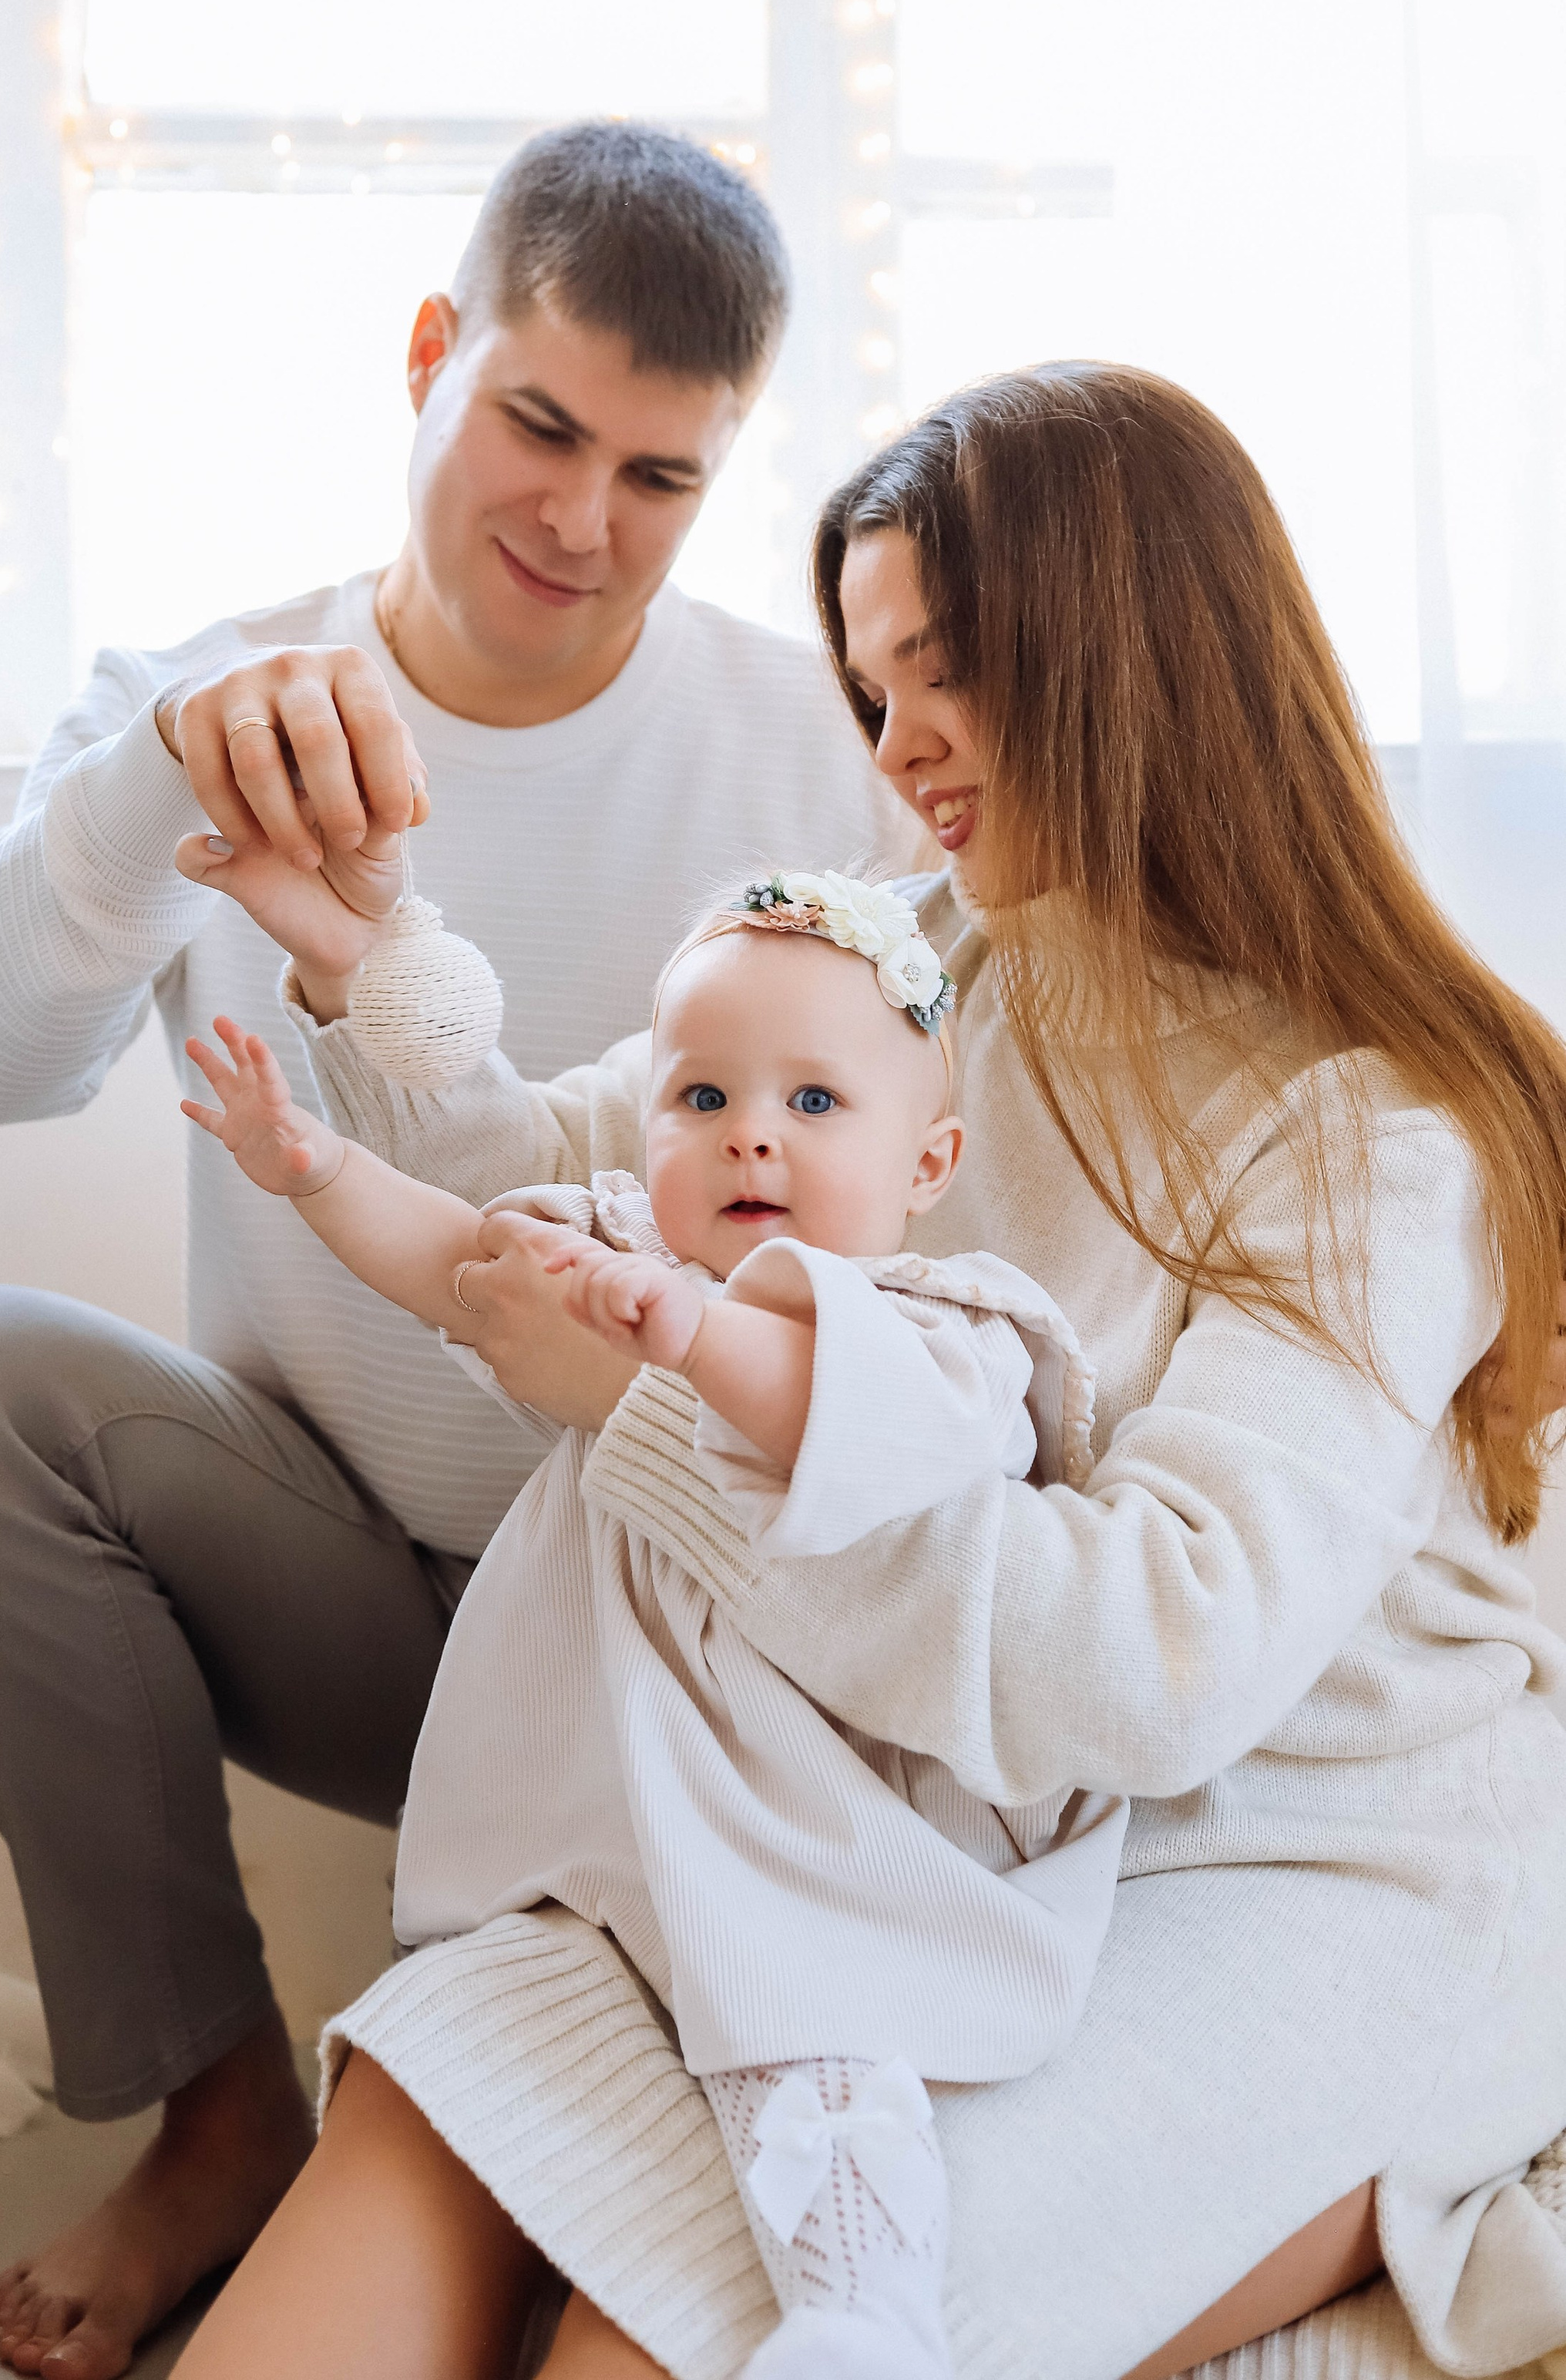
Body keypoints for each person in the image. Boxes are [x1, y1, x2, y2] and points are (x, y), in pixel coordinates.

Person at [170, 363, 1566, 2380]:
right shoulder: (918, 957)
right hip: (905, 1799)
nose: (896, 746)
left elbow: (1155, 1660)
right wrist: (362, 954)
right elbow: (574, 1196)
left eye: (943, 676)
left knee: (713, 2311)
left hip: (1299, 1851)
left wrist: (652, 1412)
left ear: (1126, 662)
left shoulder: (1367, 1133)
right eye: (869, 684)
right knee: (435, 2119)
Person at [0, 122, 917, 2380]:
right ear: (432, 352)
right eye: (540, 425)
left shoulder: (820, 750)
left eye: (660, 475)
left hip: (694, 1631)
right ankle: (219, 2106)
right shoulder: (205, 704)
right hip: (356, 1594)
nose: (582, 520)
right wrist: (149, 784)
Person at [176, 863, 1128, 2380]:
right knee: (540, 2029)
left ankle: (863, 2320)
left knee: (813, 2069)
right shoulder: (623, 1248)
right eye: (701, 1095)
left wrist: (689, 1334)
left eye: (813, 1101)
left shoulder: (946, 1327)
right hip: (620, 1805)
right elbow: (455, 1263)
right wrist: (316, 1168)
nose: (751, 1131)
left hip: (809, 1819)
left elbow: (820, 1408)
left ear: (928, 1159)